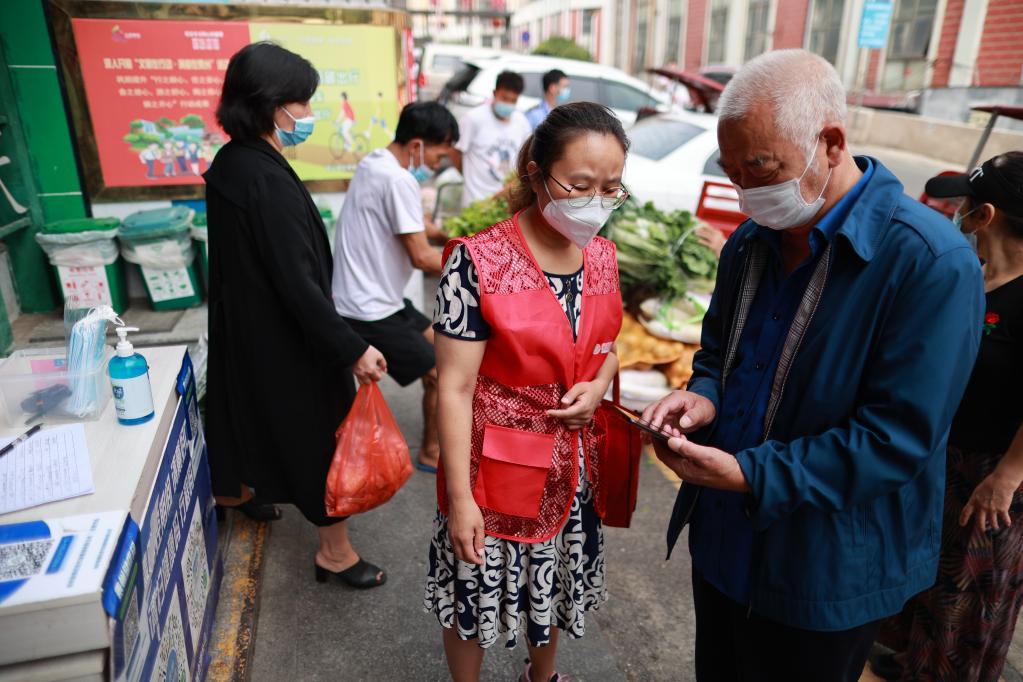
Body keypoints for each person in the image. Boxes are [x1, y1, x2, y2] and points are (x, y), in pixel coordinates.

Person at [641, 49, 984, 681]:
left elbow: (896, 439)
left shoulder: (929, 263)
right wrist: (706, 396)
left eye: (761, 167)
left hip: (825, 573)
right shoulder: (750, 243)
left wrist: (751, 474)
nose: (745, 189)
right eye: (735, 170)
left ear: (830, 142)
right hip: (723, 542)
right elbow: (718, 348)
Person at [424, 102, 630, 682]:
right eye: (581, 185)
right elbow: (456, 387)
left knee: (557, 578)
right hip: (494, 470)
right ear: (537, 173)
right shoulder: (476, 261)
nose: (596, 201)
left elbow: (606, 349)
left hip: (574, 463)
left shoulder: (605, 258)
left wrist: (599, 385)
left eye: (611, 188)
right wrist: (460, 497)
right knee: (475, 593)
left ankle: (542, 676)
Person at [204, 42, 388, 588]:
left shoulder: (232, 162)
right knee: (318, 436)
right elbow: (297, 283)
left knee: (246, 415)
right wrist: (352, 347)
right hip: (286, 340)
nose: (307, 115)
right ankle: (334, 552)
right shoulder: (265, 178)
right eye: (300, 104)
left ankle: (239, 492)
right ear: (271, 105)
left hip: (246, 330)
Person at [876, 153, 1023, 682]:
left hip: (989, 478)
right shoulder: (970, 277)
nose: (953, 210)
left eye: (962, 202)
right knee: (922, 592)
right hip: (942, 460)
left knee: (962, 604)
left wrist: (1005, 478)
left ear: (984, 215)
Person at [332, 102, 459, 473]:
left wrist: (451, 236)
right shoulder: (398, 179)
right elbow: (421, 256)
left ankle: (438, 442)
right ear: (418, 144)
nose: (440, 161)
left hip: (379, 298)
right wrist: (480, 263)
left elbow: (416, 225)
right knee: (439, 372)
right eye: (440, 151)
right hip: (367, 309)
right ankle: (432, 453)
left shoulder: (375, 162)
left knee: (444, 344)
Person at [452, 70, 531, 207]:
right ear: (494, 93)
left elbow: (524, 159)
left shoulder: (522, 123)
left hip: (505, 202)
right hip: (475, 201)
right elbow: (456, 151)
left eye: (513, 100)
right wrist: (468, 177)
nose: (508, 104)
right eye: (504, 98)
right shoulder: (473, 118)